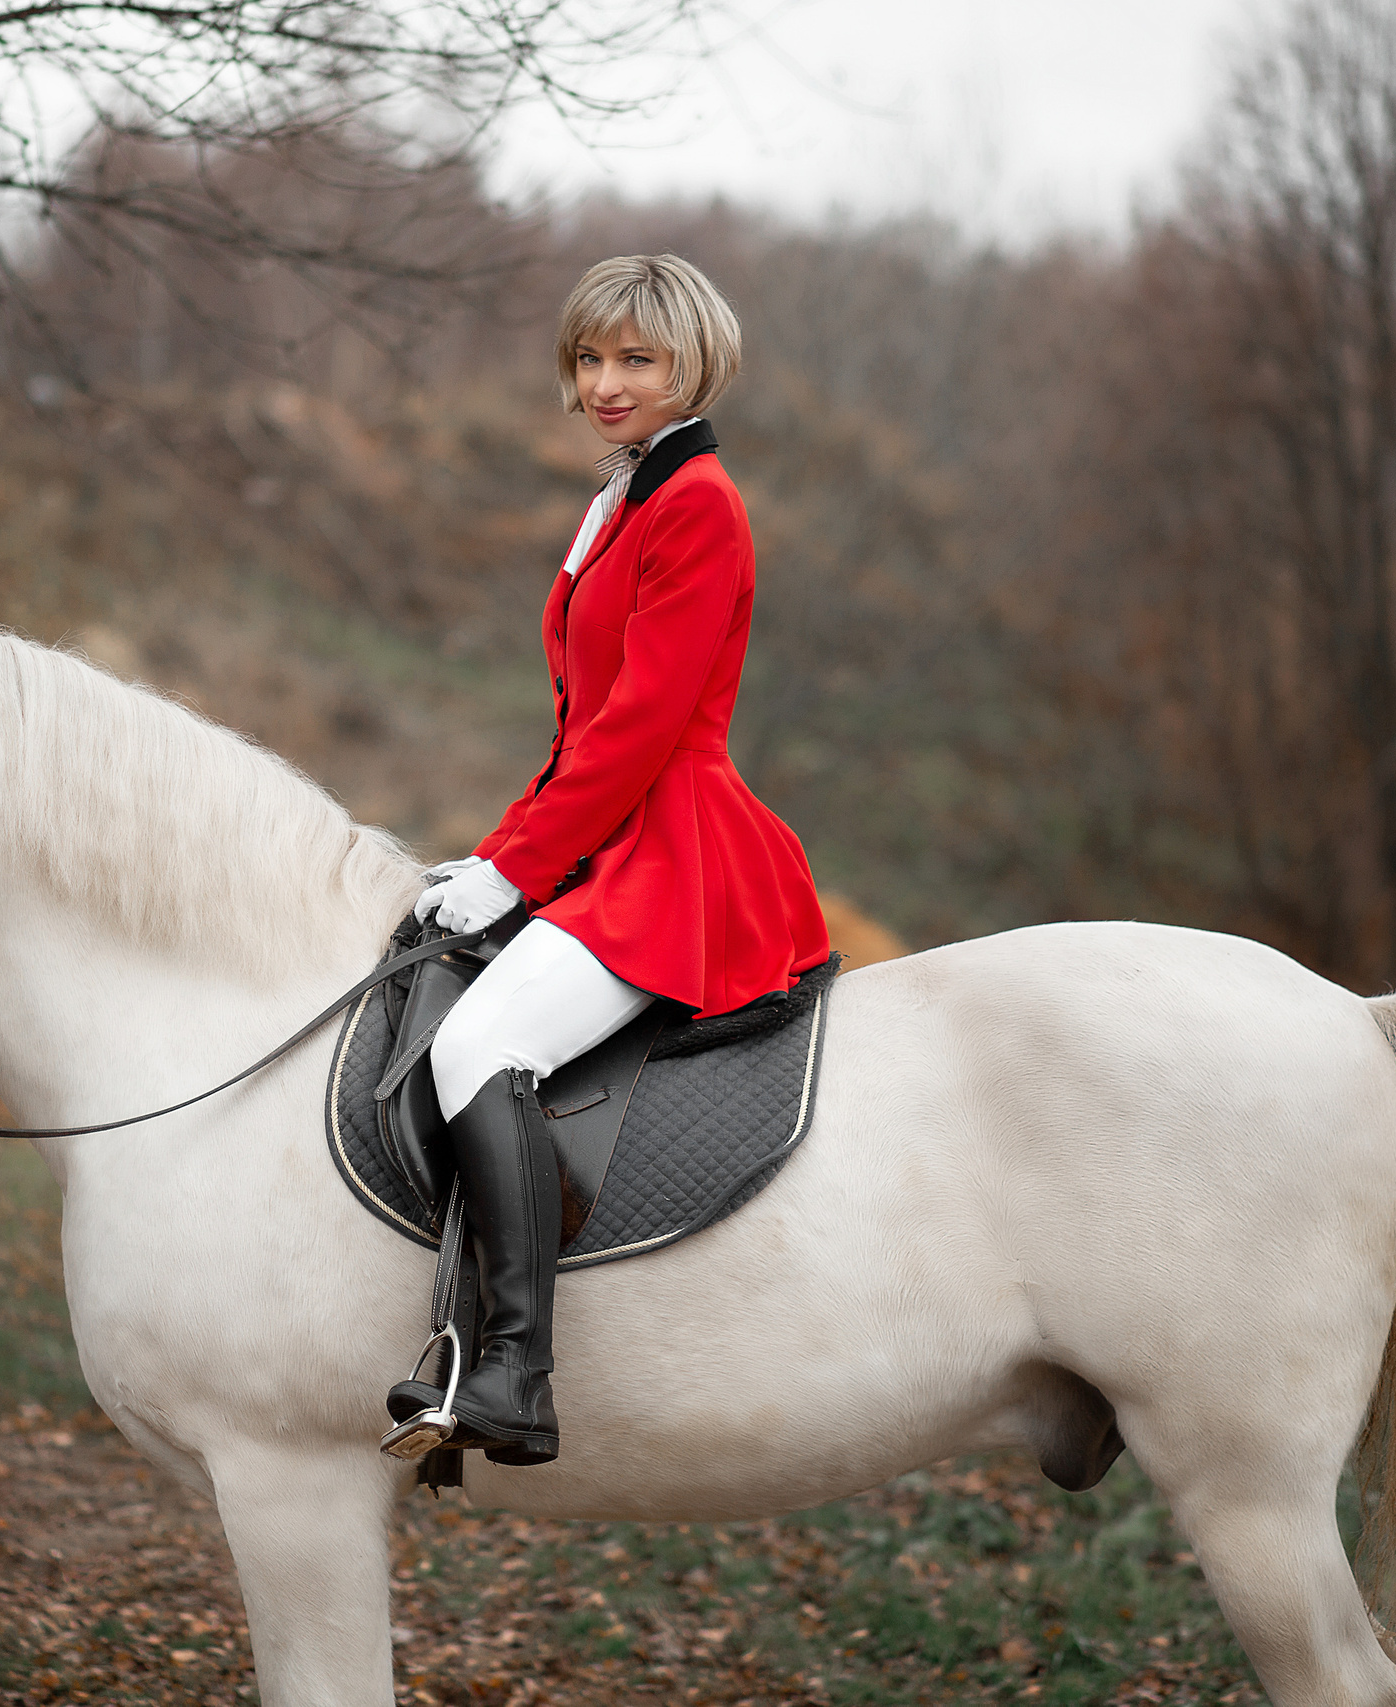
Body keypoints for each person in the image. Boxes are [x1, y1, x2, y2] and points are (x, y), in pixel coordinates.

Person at [397, 253, 832, 1466]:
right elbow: (579, 727)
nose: (604, 382)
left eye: (634, 359)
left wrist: (515, 868)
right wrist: (497, 852)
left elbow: (639, 728)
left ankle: (515, 1371)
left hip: (673, 842)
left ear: (690, 363)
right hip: (612, 827)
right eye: (589, 359)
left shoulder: (696, 503)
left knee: (481, 1044)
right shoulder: (627, 496)